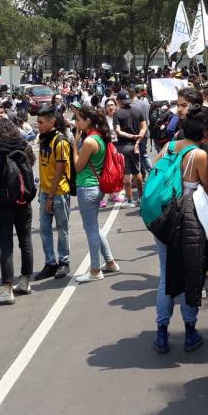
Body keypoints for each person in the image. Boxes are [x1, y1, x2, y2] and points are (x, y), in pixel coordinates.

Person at [150, 106, 208, 354]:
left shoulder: (167, 148)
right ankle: (189, 332)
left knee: (166, 276)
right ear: (205, 132)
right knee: (190, 274)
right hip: (189, 222)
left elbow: (153, 177)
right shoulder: (197, 155)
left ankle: (162, 333)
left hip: (163, 221)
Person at [0, 118, 36, 304]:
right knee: (26, 241)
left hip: (4, 202)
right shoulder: (25, 146)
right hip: (24, 200)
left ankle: (7, 289)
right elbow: (30, 166)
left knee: (6, 246)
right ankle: (25, 282)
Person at [71, 106, 120, 283]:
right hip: (96, 187)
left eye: (79, 119)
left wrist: (74, 145)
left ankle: (94, 269)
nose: (77, 123)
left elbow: (77, 166)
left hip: (87, 187)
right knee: (94, 227)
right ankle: (110, 262)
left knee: (90, 228)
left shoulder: (89, 141)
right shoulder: (100, 137)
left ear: (88, 121)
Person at [34, 109, 72, 281]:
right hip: (45, 192)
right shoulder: (43, 139)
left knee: (62, 228)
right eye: (38, 122)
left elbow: (60, 170)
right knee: (44, 229)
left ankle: (64, 262)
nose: (38, 125)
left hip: (58, 193)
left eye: (41, 122)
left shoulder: (60, 141)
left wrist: (50, 196)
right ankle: (50, 263)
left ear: (52, 122)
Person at [113, 90, 146, 205]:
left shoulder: (117, 113)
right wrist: (138, 138)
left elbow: (118, 131)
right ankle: (141, 197)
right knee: (138, 173)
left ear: (119, 101)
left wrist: (131, 136)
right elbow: (144, 127)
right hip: (136, 146)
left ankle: (130, 200)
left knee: (126, 175)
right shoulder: (137, 110)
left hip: (123, 146)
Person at [132, 86, 152, 178]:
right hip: (145, 130)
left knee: (141, 154)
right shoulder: (145, 103)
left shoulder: (133, 105)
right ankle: (143, 174)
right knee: (142, 154)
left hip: (138, 132)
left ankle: (151, 172)